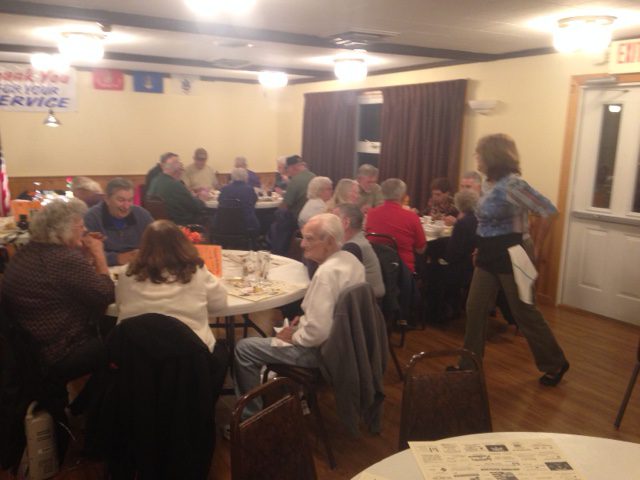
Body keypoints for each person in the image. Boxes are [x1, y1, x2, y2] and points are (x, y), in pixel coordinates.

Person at [462, 133, 569, 386]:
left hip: (513, 252)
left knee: (524, 311)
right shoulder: (487, 183)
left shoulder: (513, 185)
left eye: (479, 153)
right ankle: (469, 365)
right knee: (475, 308)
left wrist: (537, 247)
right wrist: (479, 248)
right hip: (489, 253)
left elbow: (549, 211)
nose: (476, 157)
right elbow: (485, 221)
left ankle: (555, 363)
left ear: (491, 156)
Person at [234, 213, 365, 416]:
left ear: (330, 241)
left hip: (323, 352)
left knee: (244, 348)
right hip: (347, 346)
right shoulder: (351, 260)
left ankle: (250, 418)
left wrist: (293, 336)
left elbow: (317, 333)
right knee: (287, 327)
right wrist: (302, 323)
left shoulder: (326, 274)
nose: (302, 244)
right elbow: (333, 315)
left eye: (309, 239)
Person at [1, 199, 114, 411]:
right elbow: (105, 294)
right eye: (80, 226)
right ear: (64, 230)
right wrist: (99, 254)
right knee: (124, 342)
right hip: (58, 352)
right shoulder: (62, 259)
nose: (85, 230)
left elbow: (71, 283)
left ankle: (86, 403)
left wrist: (83, 255)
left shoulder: (28, 251)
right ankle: (91, 408)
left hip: (28, 350)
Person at [115, 220, 227, 356]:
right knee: (222, 349)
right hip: (191, 358)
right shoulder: (197, 271)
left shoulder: (126, 273)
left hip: (134, 357)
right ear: (181, 243)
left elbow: (120, 306)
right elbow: (219, 305)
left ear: (144, 245)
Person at [84, 177, 154, 266]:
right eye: (121, 200)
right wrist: (117, 258)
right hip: (106, 267)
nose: (126, 206)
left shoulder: (142, 215)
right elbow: (87, 253)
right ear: (107, 199)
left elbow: (157, 242)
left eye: (130, 200)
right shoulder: (92, 217)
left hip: (138, 265)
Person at [365, 178, 426, 273]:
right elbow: (420, 249)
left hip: (377, 267)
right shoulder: (411, 217)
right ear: (403, 196)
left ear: (383, 193)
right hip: (402, 270)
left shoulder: (371, 214)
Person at [335, 203, 385, 298]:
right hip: (364, 299)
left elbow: (338, 282)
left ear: (345, 223)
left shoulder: (352, 247)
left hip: (367, 302)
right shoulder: (358, 240)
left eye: (334, 219)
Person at [147, 154, 207, 226]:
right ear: (178, 170)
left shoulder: (155, 181)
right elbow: (196, 207)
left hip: (160, 226)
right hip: (181, 226)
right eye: (180, 165)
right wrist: (202, 199)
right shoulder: (176, 186)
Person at [216, 167, 259, 232]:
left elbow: (219, 200)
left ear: (232, 177)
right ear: (245, 177)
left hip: (224, 225)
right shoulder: (249, 189)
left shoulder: (225, 189)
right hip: (246, 225)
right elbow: (254, 201)